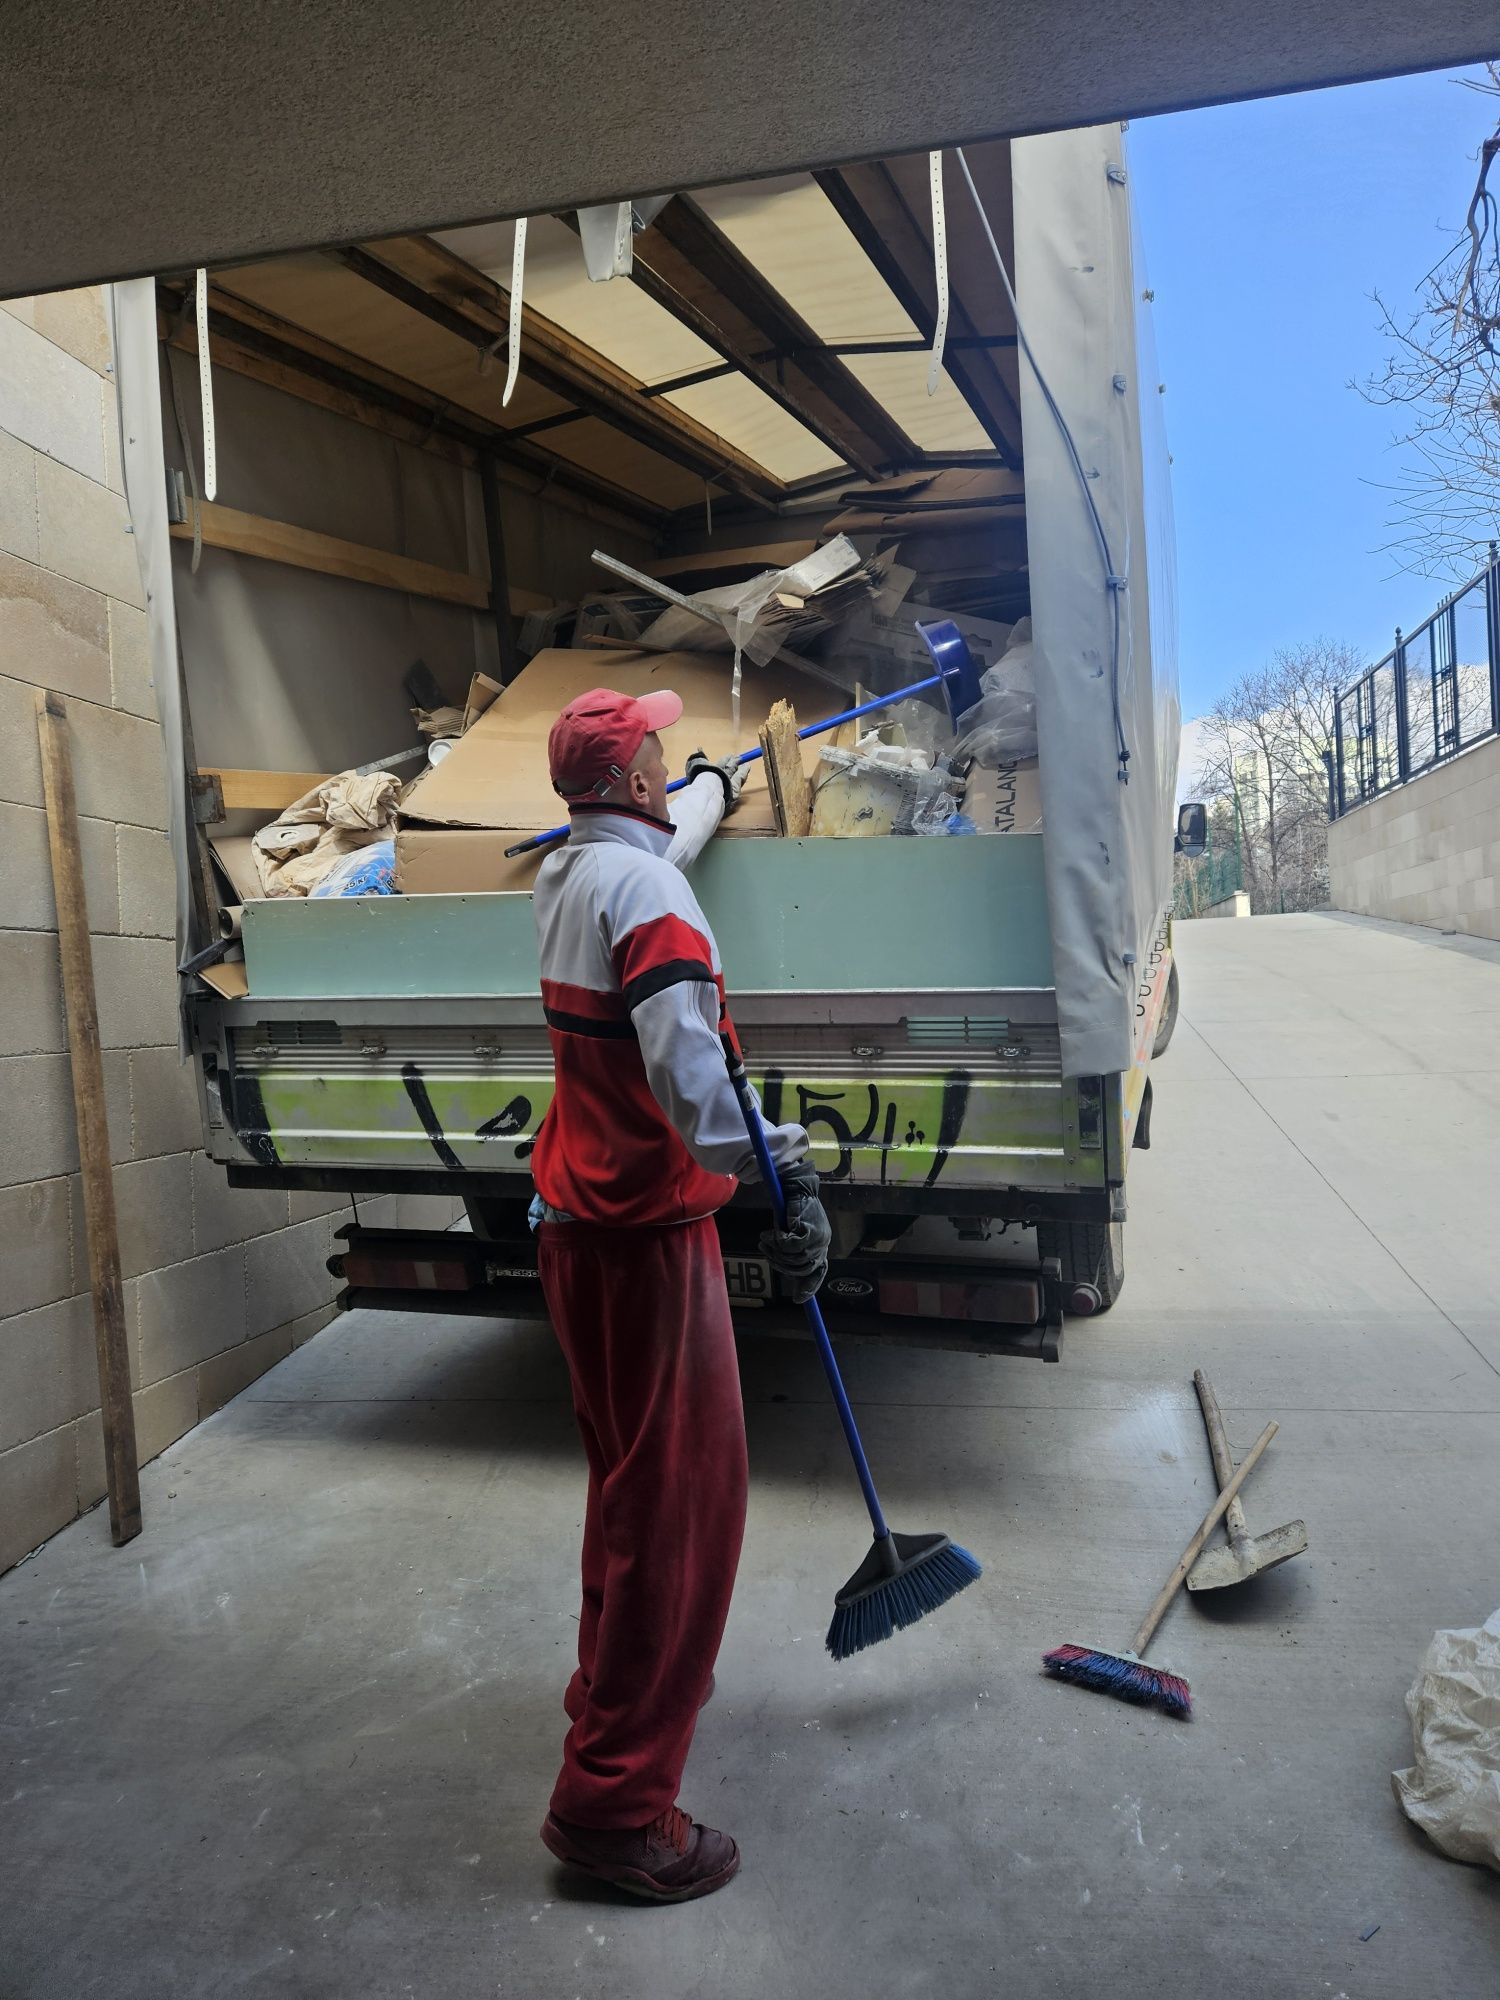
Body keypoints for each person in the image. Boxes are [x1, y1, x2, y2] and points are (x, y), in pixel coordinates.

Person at [530, 686, 831, 1903]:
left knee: (627, 1497)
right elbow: (700, 1100)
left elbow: (666, 840)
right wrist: (791, 1163)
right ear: (633, 781)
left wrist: (718, 785)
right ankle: (614, 1808)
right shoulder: (649, 899)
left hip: (578, 1227)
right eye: (659, 750)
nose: (666, 758)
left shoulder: (572, 872)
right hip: (649, 1239)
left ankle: (609, 1693)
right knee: (685, 1521)